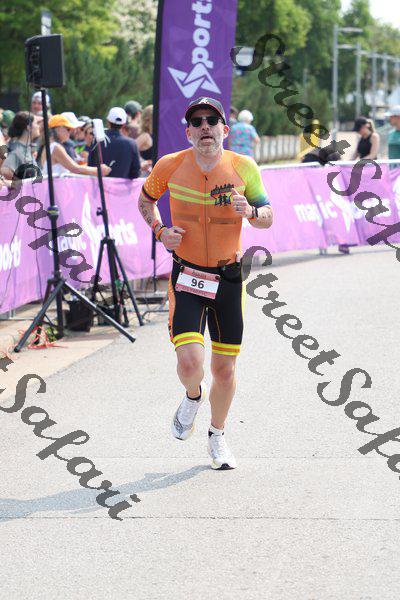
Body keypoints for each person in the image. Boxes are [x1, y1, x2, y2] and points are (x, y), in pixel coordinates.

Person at [137, 97, 273, 470]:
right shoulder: (169, 165)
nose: (205, 127)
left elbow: (268, 216)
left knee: (224, 370)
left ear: (225, 129)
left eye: (212, 120)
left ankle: (217, 434)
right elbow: (145, 202)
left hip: (228, 278)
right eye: (196, 122)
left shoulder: (243, 167)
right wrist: (160, 231)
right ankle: (193, 396)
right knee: (189, 363)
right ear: (188, 132)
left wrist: (252, 212)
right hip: (187, 276)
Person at [40, 114, 110, 178]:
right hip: (57, 186)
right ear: (58, 129)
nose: (70, 132)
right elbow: (75, 169)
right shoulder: (55, 147)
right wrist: (98, 170)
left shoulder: (49, 146)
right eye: (68, 129)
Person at [88, 107, 141, 179]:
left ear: (108, 121)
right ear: (123, 125)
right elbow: (135, 173)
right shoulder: (131, 144)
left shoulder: (97, 140)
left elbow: (90, 166)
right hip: (123, 186)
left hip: (99, 185)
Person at [0, 112, 39, 180]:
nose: (38, 126)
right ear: (28, 127)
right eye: (36, 123)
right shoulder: (17, 150)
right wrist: (21, 183)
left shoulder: (24, 148)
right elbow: (4, 171)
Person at [136, 104, 153, 174]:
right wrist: (142, 163)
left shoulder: (156, 135)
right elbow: (129, 150)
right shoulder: (145, 136)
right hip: (146, 176)